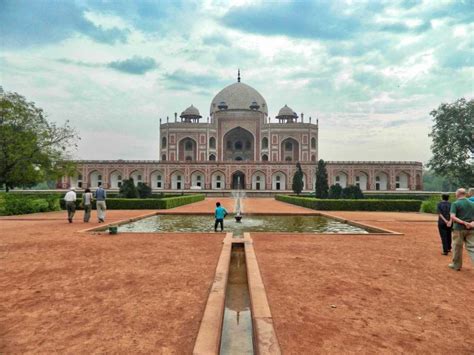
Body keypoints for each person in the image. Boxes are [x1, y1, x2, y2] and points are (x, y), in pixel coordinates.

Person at [448, 188, 474, 271]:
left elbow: (452, 216)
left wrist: (464, 223)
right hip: (471, 228)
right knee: (472, 248)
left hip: (458, 229)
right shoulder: (472, 203)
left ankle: (456, 265)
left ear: (458, 194)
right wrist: (471, 223)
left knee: (457, 247)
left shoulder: (455, 204)